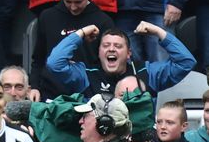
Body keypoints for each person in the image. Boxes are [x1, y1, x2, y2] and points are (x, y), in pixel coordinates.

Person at [46, 21, 196, 99]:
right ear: (99, 53)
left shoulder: (147, 72)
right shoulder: (86, 74)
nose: (111, 49)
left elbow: (185, 62)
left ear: (129, 53)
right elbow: (54, 63)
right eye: (106, 45)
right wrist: (81, 33)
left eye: (118, 46)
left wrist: (158, 31)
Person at [30, 0, 114, 101]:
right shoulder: (47, 17)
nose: (73, 7)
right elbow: (39, 58)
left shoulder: (103, 21)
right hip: (51, 95)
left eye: (78, 2)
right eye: (68, 1)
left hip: (88, 95)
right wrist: (34, 86)